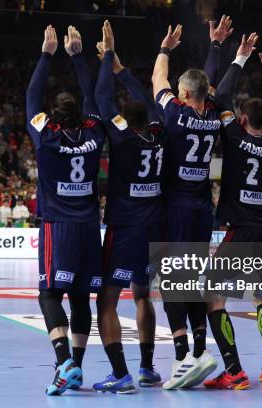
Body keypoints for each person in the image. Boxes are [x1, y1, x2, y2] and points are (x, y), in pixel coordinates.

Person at [151, 16, 232, 390]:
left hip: (177, 209)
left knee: (172, 282)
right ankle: (200, 350)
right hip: (203, 210)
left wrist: (165, 49)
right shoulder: (213, 115)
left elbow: (157, 81)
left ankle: (183, 357)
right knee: (192, 279)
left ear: (184, 94)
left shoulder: (176, 113)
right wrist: (215, 46)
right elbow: (209, 82)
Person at [203, 37, 262, 390]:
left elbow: (216, 97)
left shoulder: (234, 135)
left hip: (242, 230)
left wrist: (239, 58)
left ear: (242, 117)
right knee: (261, 296)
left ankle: (234, 368)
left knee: (211, 294)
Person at [26, 25, 104, 396]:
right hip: (90, 227)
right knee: (79, 298)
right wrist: (77, 57)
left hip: (60, 226)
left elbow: (30, 99)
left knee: (48, 296)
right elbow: (90, 95)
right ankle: (75, 367)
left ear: (52, 114)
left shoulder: (46, 135)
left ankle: (63, 364)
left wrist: (46, 54)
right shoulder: (93, 133)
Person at [91, 21, 163, 393]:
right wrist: (122, 70)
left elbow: (103, 99)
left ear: (125, 120)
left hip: (125, 228)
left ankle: (120, 373)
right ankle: (148, 367)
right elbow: (148, 100)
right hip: (154, 229)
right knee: (142, 294)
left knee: (106, 300)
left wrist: (107, 58)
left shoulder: (122, 137)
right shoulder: (158, 132)